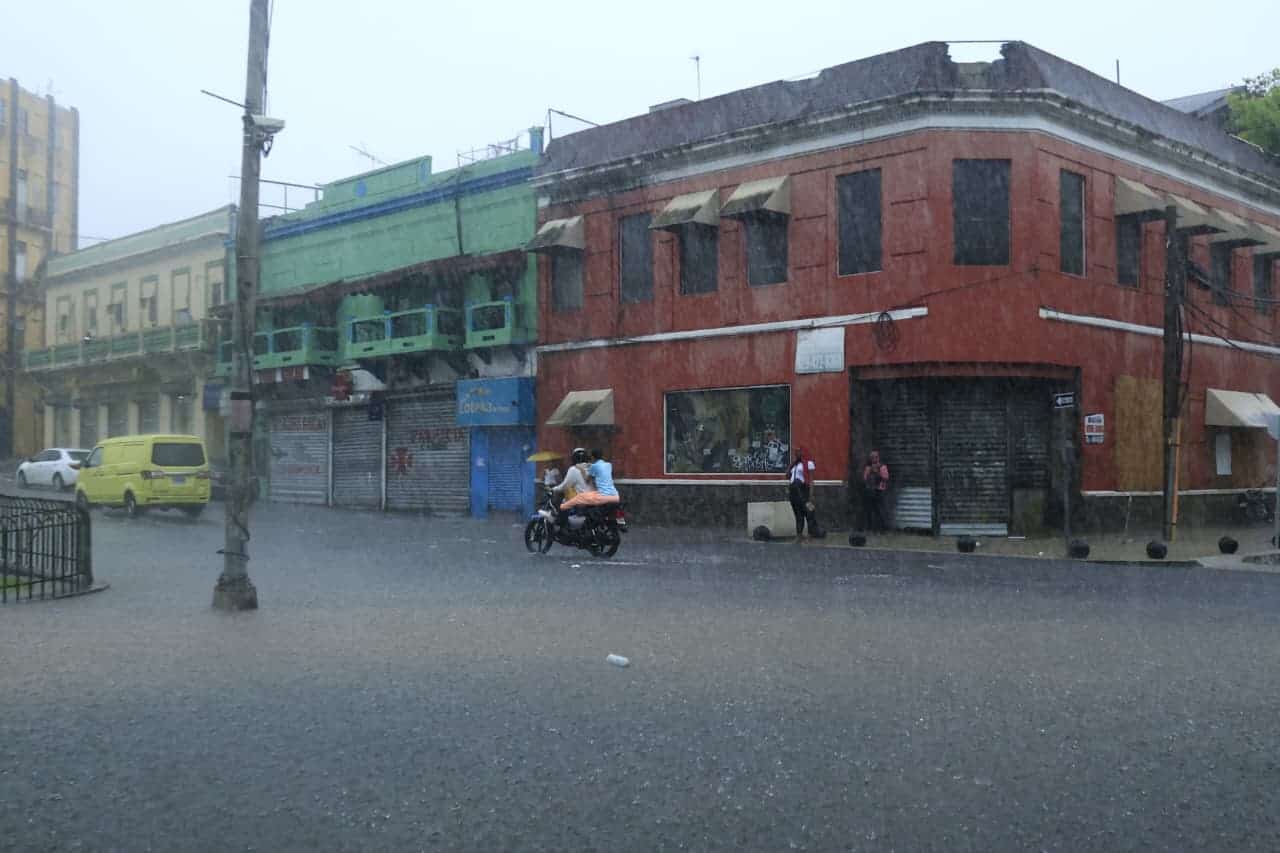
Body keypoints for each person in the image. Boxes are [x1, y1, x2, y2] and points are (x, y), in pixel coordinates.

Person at [788, 446, 818, 542]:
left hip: (803, 490)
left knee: (809, 513)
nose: (796, 454)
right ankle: (799, 535)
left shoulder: (808, 463)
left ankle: (810, 535)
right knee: (798, 514)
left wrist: (811, 493)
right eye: (795, 452)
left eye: (798, 452)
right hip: (794, 491)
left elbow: (811, 479)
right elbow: (788, 475)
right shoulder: (794, 465)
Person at [862, 450, 890, 532]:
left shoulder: (882, 466)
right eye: (872, 457)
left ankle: (882, 529)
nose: (873, 459)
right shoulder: (868, 467)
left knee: (879, 510)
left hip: (879, 491)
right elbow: (864, 478)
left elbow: (886, 478)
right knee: (870, 510)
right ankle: (870, 528)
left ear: (878, 457)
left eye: (875, 457)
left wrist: (878, 474)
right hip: (870, 491)